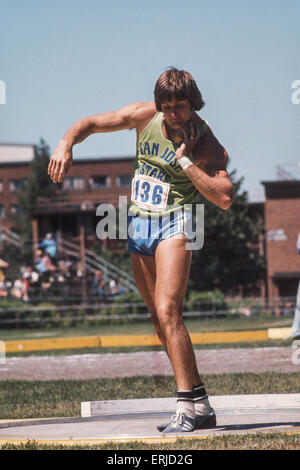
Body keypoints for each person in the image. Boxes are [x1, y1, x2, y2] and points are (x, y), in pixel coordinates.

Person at [48, 68, 233, 432]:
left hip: (177, 222)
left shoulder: (207, 141)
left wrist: (184, 159)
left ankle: (184, 406)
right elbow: (91, 123)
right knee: (157, 317)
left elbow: (224, 197)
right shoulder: (145, 116)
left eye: (180, 106)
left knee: (168, 310)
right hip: (139, 223)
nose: (172, 114)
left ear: (193, 103)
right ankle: (201, 403)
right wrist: (66, 141)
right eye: (166, 106)